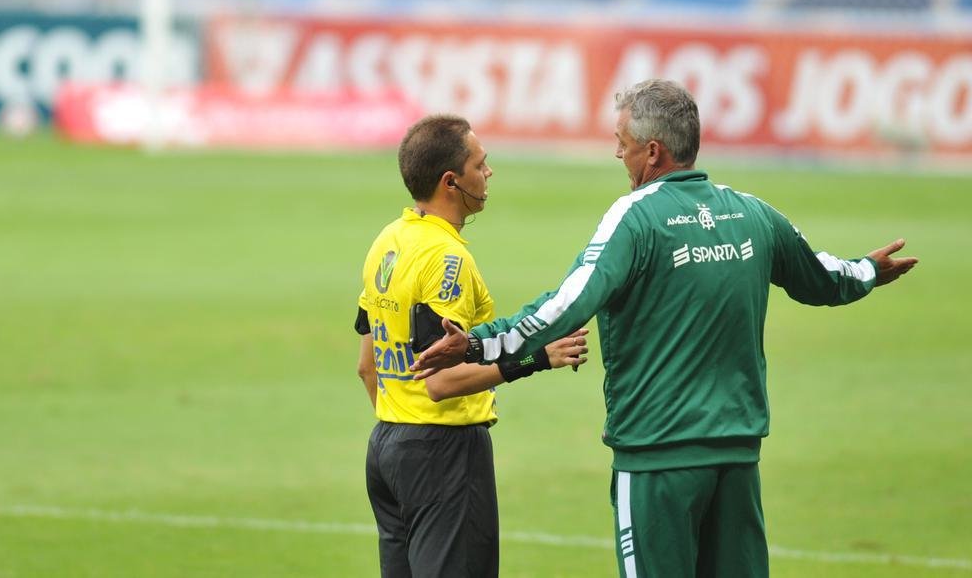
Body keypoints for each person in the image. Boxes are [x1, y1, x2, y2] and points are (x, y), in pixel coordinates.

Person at [410, 80, 918, 578]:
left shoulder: (635, 219)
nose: (618, 155)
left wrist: (478, 343)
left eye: (622, 144)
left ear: (652, 152)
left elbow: (565, 306)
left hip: (657, 459)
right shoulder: (751, 213)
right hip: (737, 458)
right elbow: (822, 276)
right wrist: (869, 270)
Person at [355, 114, 590, 578]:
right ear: (451, 181)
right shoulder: (447, 259)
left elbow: (368, 367)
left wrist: (402, 425)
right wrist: (536, 359)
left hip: (387, 446)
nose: (489, 174)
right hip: (442, 453)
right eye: (480, 165)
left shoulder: (388, 241)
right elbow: (442, 382)